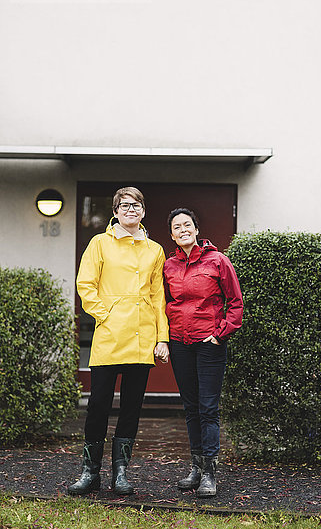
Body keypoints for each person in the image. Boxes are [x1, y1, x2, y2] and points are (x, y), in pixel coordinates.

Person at [68, 187, 169, 497]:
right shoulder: (100, 243)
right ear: (115, 212)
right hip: (109, 337)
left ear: (143, 211)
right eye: (124, 205)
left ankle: (121, 474)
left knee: (131, 408)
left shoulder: (155, 249)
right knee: (98, 405)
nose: (130, 209)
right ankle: (90, 473)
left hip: (142, 338)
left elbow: (158, 296)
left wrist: (162, 338)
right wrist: (105, 314)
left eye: (136, 204)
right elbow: (86, 285)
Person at [163, 208, 243, 497]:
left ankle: (210, 472)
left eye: (188, 224)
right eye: (177, 226)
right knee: (191, 408)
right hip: (180, 343)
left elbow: (235, 303)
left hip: (209, 345)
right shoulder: (168, 266)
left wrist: (220, 335)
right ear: (172, 235)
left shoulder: (218, 260)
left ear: (196, 229)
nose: (183, 229)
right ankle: (196, 467)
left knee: (208, 409)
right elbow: (164, 304)